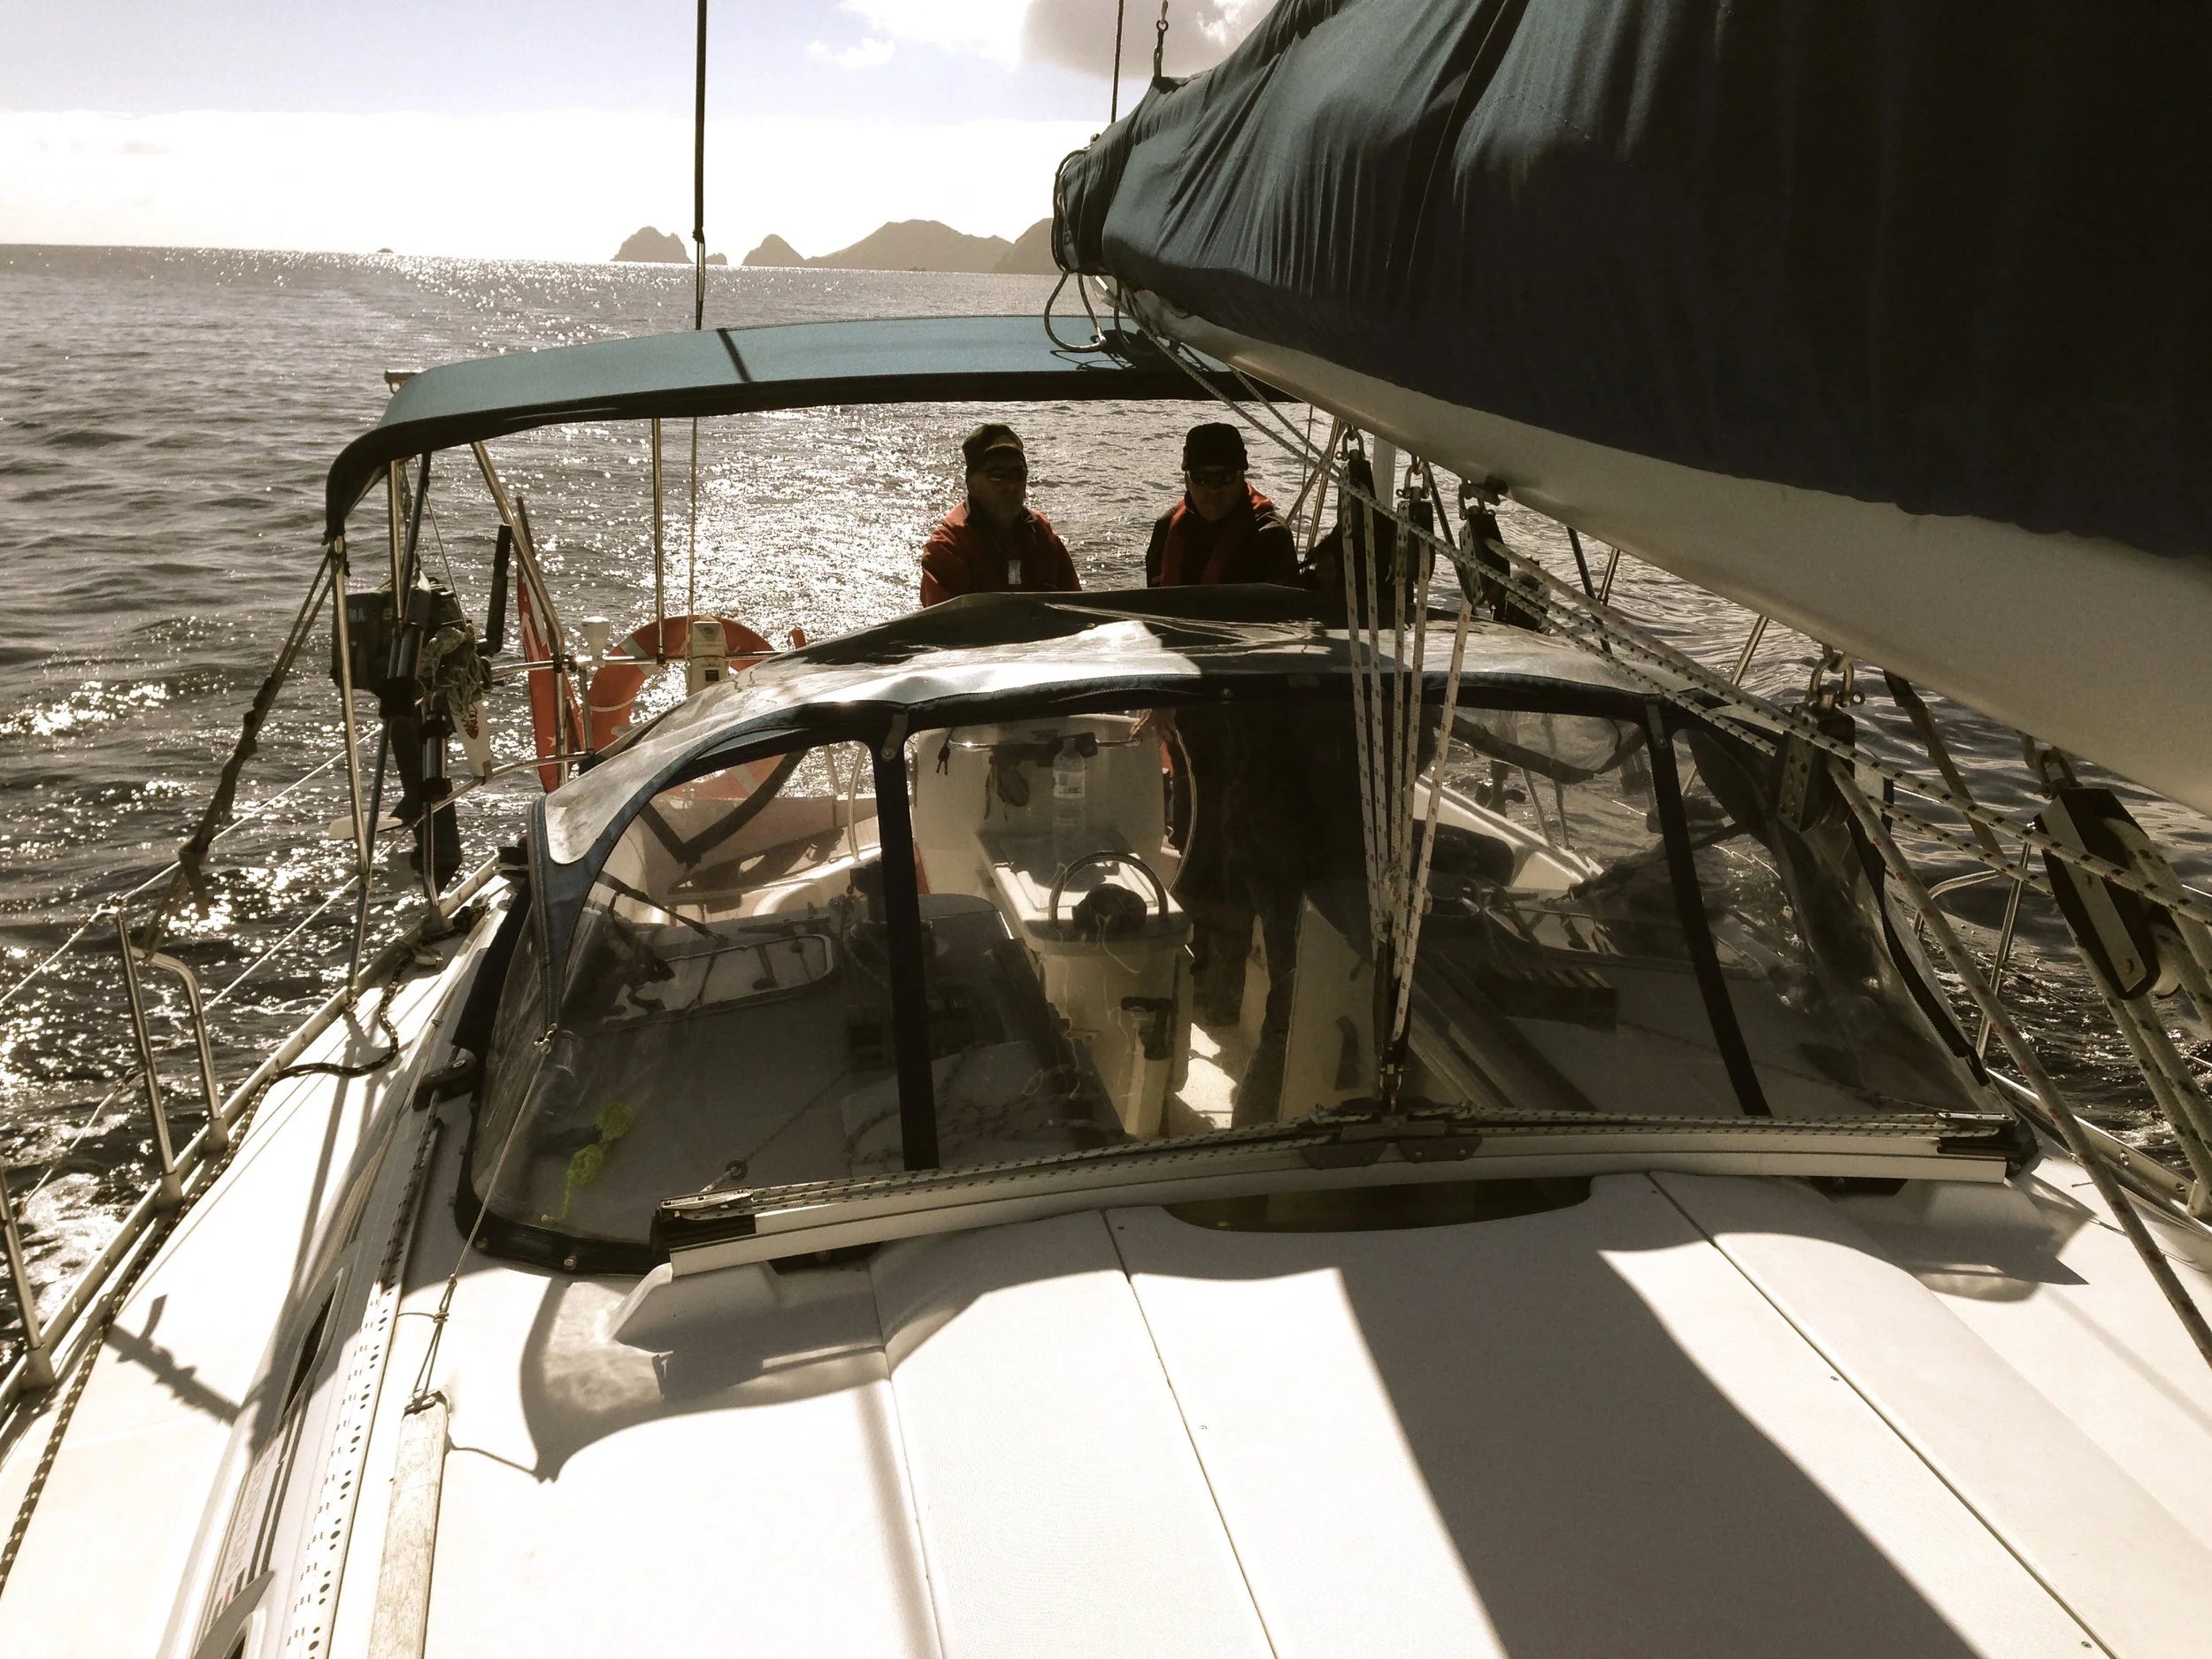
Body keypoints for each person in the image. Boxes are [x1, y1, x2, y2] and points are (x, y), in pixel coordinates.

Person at [918, 424, 1079, 606]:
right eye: (997, 475)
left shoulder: (1043, 536)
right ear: (971, 483)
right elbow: (944, 628)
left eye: (1019, 475)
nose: (1011, 486)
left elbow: (1077, 608)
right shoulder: (946, 548)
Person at [1143, 422, 1298, 588]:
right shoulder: (1165, 528)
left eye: (1224, 477)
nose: (1212, 489)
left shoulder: (1271, 536)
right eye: (1200, 478)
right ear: (1187, 481)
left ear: (1241, 479)